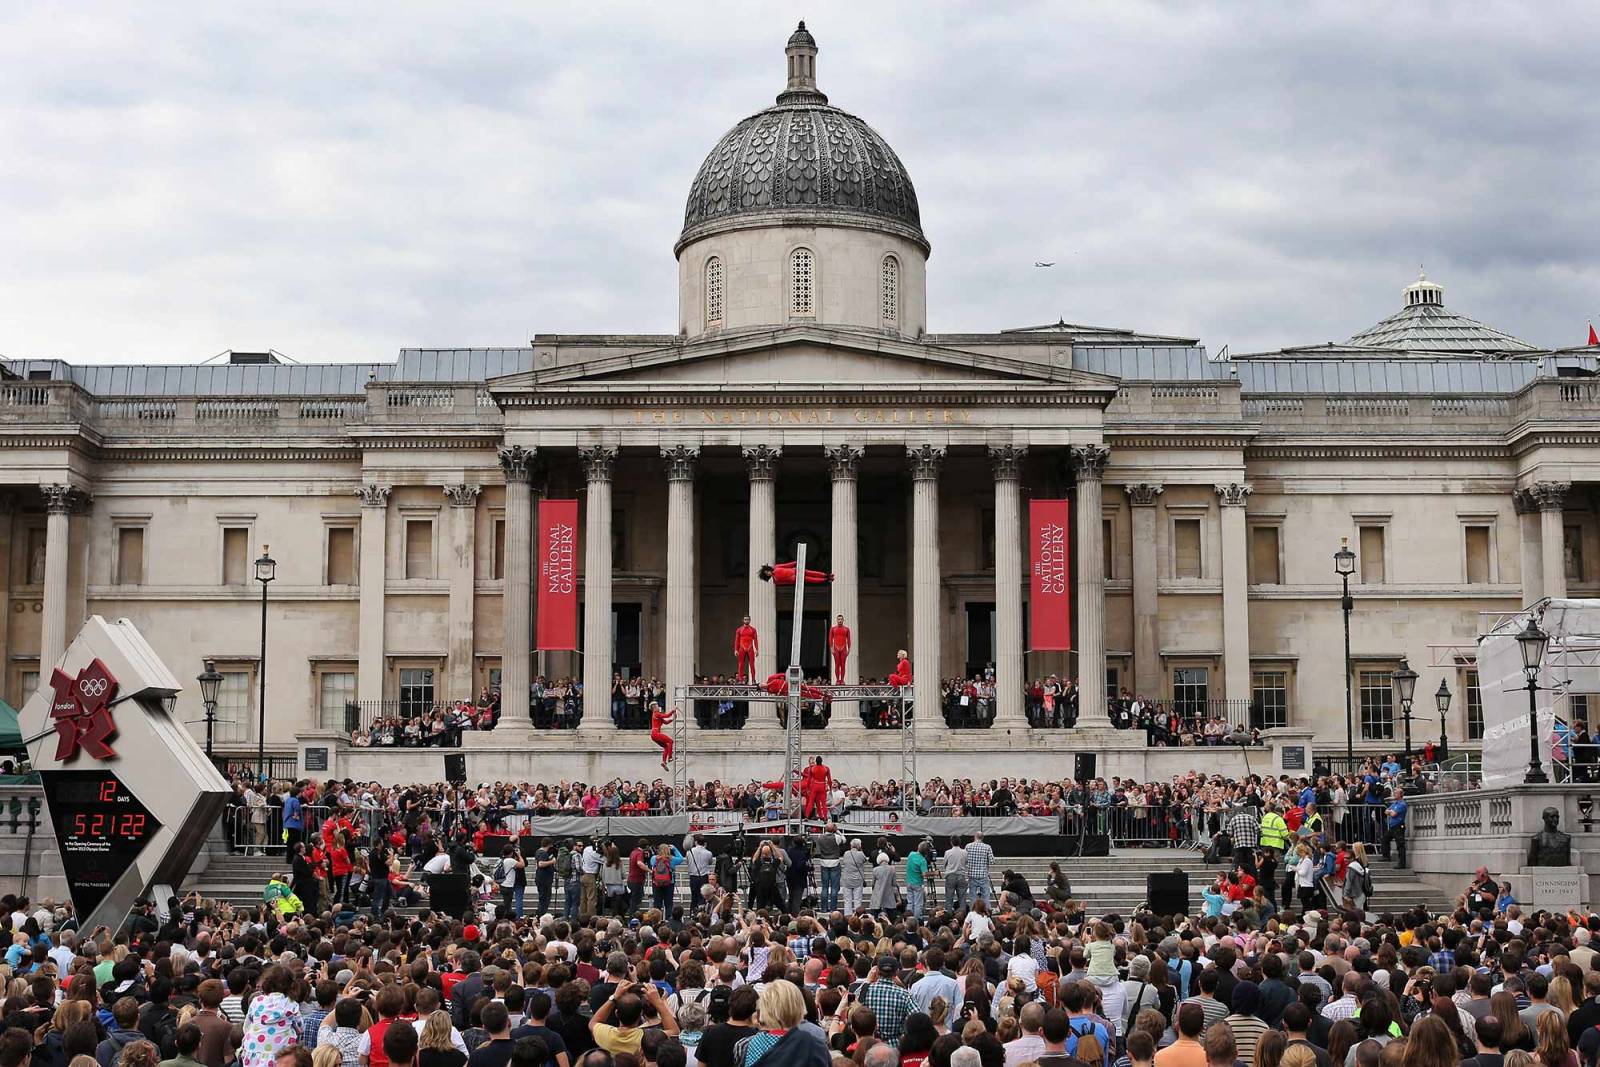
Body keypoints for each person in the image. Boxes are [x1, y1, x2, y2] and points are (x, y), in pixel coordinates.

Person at [1383, 787, 1408, 870]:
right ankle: (1386, 856)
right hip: (1393, 826)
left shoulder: (1402, 804)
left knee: (1400, 845)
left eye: (1396, 793)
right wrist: (1391, 812)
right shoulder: (1395, 804)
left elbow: (1393, 814)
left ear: (1401, 795)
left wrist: (1390, 812)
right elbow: (1387, 811)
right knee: (1385, 839)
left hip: (1398, 826)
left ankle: (1402, 863)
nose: (1394, 794)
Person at [757, 563, 832, 586]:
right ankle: (825, 580)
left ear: (768, 569)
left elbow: (786, 565)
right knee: (811, 579)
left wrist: (795, 562)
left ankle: (826, 575)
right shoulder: (775, 581)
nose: (768, 573)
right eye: (767, 574)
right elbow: (786, 583)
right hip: (795, 578)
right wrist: (794, 582)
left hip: (794, 570)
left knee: (811, 573)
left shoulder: (776, 567)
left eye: (767, 572)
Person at [649, 704, 675, 770]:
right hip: (656, 733)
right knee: (671, 741)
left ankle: (664, 762)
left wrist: (673, 719)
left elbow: (666, 722)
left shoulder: (658, 716)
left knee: (666, 747)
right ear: (654, 708)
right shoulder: (656, 714)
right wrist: (673, 710)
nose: (659, 707)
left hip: (654, 734)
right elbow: (667, 715)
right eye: (657, 706)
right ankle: (670, 757)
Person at [734, 618, 759, 684]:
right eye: (745, 619)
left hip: (750, 648)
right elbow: (737, 640)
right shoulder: (739, 630)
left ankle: (753, 680)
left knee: (752, 665)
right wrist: (736, 649)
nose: (746, 621)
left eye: (748, 619)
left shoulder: (753, 630)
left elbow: (755, 640)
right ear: (743, 620)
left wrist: (757, 649)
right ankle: (740, 680)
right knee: (740, 664)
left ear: (750, 620)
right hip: (742, 648)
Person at [829, 616, 852, 685]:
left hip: (843, 648)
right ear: (837, 620)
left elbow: (848, 639)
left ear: (843, 620)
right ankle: (837, 680)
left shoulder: (846, 629)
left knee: (843, 665)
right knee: (837, 665)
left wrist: (849, 649)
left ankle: (842, 680)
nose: (840, 620)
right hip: (836, 648)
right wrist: (831, 648)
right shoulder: (833, 629)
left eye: (841, 619)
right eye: (838, 619)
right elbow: (830, 639)